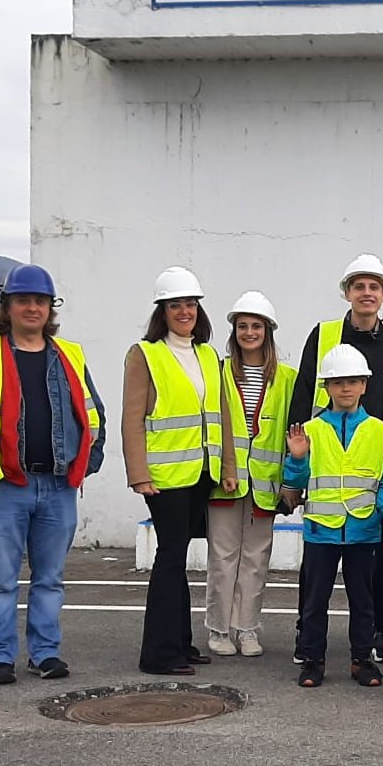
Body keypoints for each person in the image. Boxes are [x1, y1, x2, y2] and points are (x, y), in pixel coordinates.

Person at [0, 264, 105, 685]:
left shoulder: (70, 355)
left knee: (50, 579)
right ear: (7, 307)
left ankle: (44, 653)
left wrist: (89, 460)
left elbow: (94, 414)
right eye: (23, 300)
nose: (33, 308)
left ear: (50, 308)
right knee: (0, 579)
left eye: (40, 301)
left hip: (58, 485)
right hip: (4, 486)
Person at [287, 253, 383, 666]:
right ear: (347, 292)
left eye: (374, 286)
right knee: (316, 574)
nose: (366, 293)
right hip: (324, 455)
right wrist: (294, 467)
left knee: (382, 565)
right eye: (358, 286)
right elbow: (304, 391)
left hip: (379, 462)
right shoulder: (323, 334)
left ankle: (382, 631)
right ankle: (307, 637)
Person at [123, 267, 237, 676]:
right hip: (164, 477)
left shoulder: (207, 354)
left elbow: (222, 414)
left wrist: (227, 467)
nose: (185, 311)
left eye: (190, 304)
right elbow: (132, 417)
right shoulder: (145, 354)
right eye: (176, 305)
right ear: (163, 311)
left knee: (180, 557)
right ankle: (158, 654)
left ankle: (181, 644)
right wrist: (138, 473)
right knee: (170, 558)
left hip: (201, 473)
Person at [283, 344, 383, 689]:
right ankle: (312, 660)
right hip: (321, 531)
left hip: (364, 528)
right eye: (337, 382)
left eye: (352, 381)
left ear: (364, 385)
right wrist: (297, 458)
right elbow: (296, 482)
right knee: (314, 601)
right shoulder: (311, 430)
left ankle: (361, 660)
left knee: (363, 601)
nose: (345, 388)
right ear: (327, 387)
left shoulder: (378, 430)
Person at [204, 291, 295, 657]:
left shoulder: (287, 378)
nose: (249, 332)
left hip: (264, 484)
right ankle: (218, 629)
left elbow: (293, 430)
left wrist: (291, 482)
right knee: (222, 557)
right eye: (242, 326)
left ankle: (247, 629)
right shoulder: (218, 371)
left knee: (256, 559)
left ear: (268, 331)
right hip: (224, 481)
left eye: (256, 326)